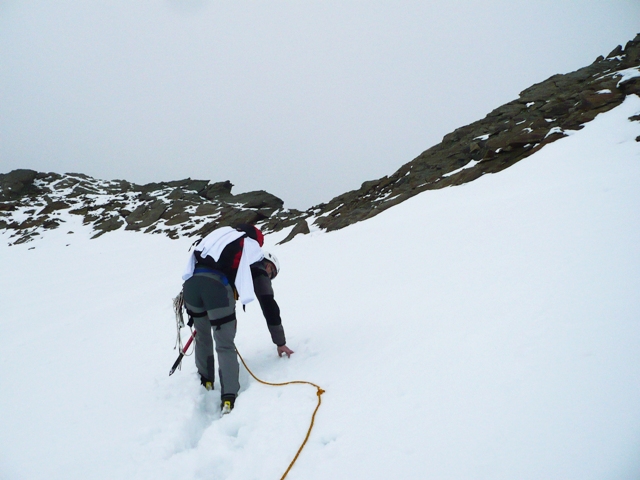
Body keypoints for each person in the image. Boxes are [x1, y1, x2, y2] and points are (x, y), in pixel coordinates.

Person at [181, 224, 294, 413]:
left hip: (191, 286)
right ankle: (228, 398)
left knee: (202, 336)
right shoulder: (256, 265)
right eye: (271, 271)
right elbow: (269, 305)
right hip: (216, 289)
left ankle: (205, 382)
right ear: (267, 263)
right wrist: (280, 341)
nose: (270, 275)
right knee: (224, 344)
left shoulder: (224, 243)